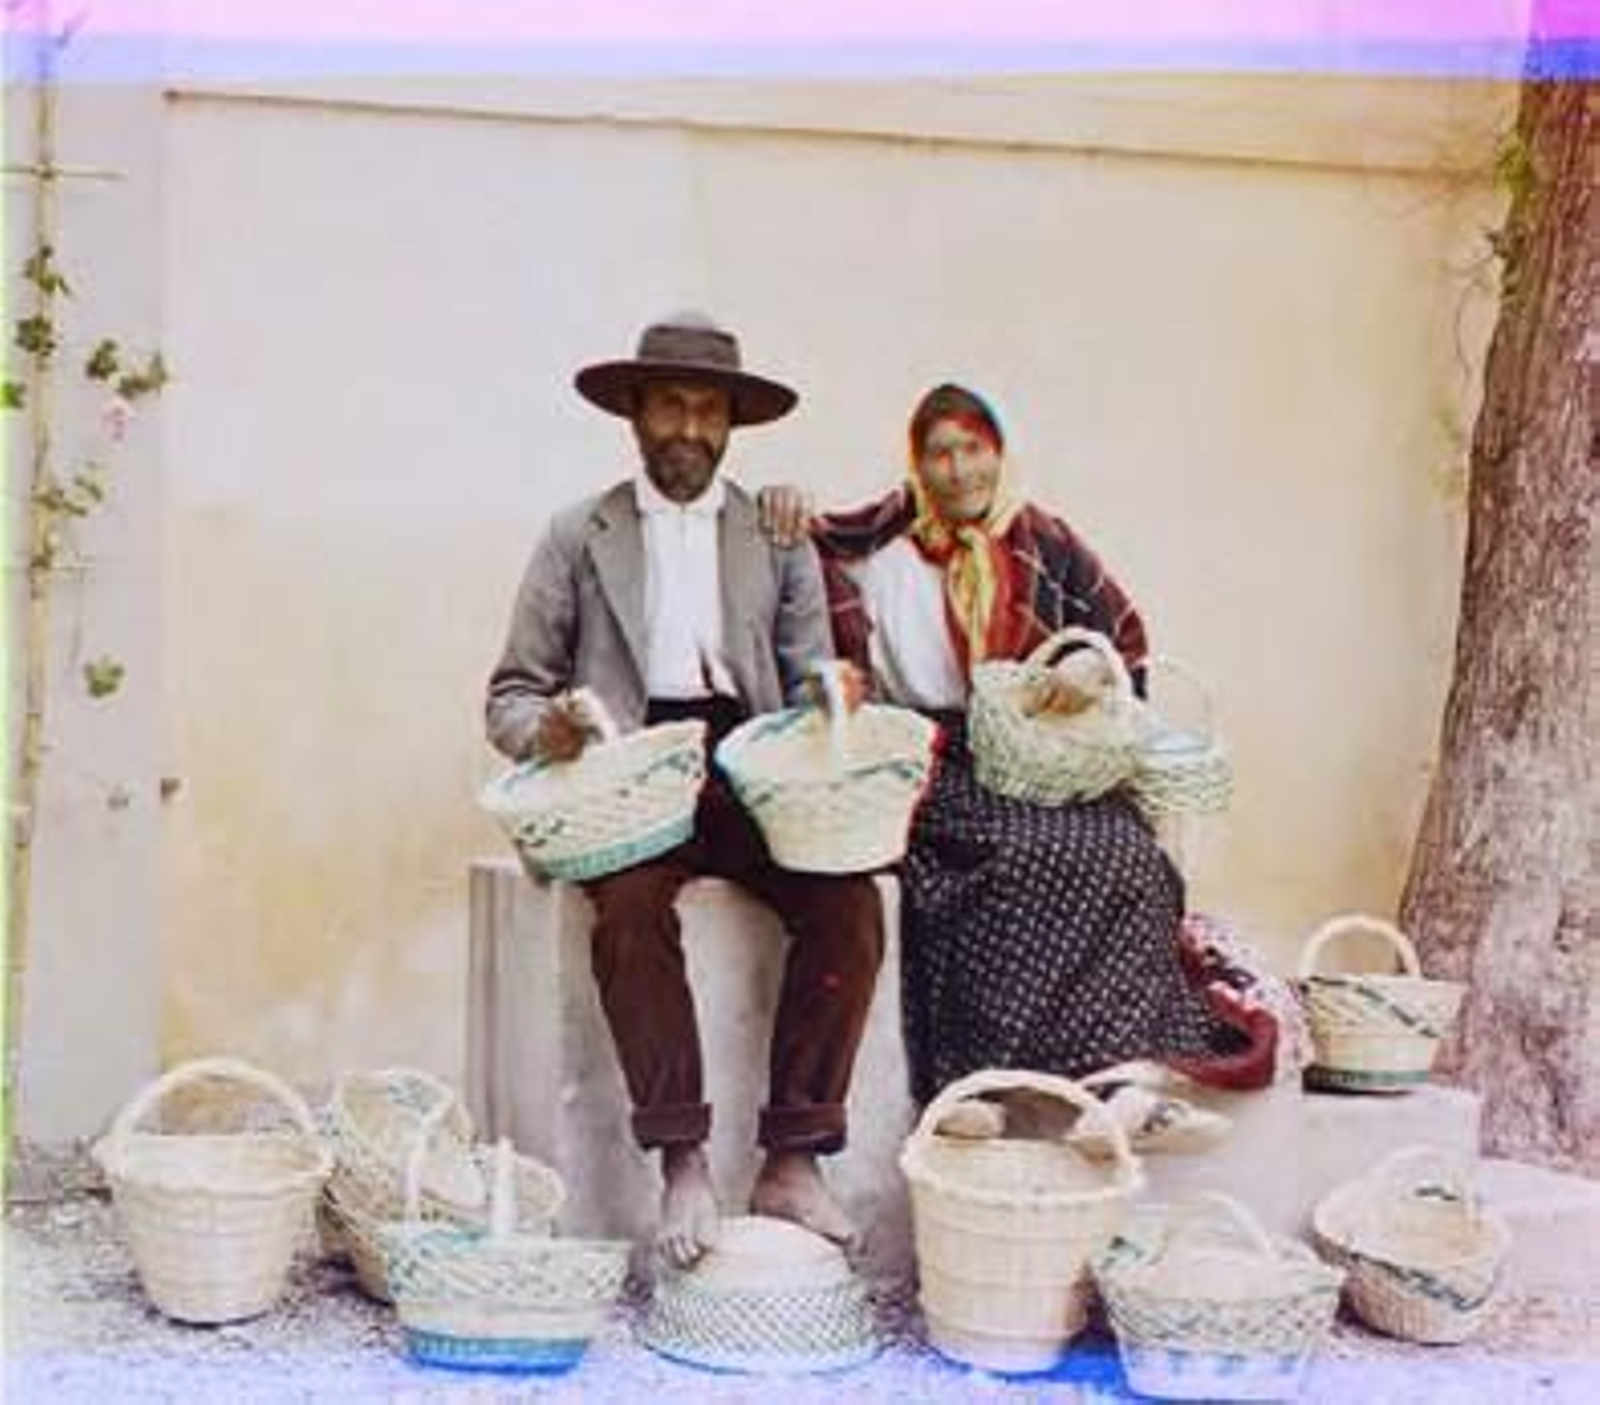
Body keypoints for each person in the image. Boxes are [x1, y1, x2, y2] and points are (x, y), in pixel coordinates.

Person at [486, 313, 884, 1267]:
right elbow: (510, 692)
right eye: (672, 404)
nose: (691, 429)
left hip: (749, 764)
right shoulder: (580, 534)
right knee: (625, 906)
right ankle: (682, 1157)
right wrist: (552, 731)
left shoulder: (773, 531)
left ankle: (794, 1154)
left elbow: (805, 683)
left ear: (733, 426)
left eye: (710, 411)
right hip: (625, 768)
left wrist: (833, 693)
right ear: (633, 411)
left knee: (849, 903)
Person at [763, 383, 1275, 1108]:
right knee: (1008, 856)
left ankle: (1117, 1063)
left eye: (974, 448)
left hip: (1037, 750)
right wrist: (780, 503)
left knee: (1128, 851)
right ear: (917, 463)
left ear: (998, 453)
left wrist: (1084, 667)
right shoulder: (881, 552)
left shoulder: (1043, 541)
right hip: (933, 754)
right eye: (939, 453)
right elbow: (805, 548)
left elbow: (1120, 637)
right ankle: (985, 1079)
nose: (959, 469)